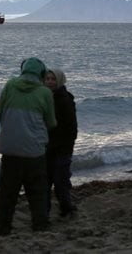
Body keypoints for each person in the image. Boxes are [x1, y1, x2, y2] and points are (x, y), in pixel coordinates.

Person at [0, 57, 57, 236]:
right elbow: (51, 122)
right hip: (34, 151)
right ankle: (40, 225)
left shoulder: (10, 85)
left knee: (7, 193)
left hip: (10, 148)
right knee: (37, 193)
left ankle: (2, 228)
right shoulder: (45, 92)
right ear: (41, 74)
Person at [44, 68, 78, 217]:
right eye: (48, 79)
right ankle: (44, 212)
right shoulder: (43, 97)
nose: (50, 82)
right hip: (46, 147)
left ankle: (66, 208)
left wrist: (67, 147)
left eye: (53, 79)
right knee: (45, 182)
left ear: (60, 81)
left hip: (62, 148)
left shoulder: (65, 99)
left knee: (60, 182)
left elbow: (71, 127)